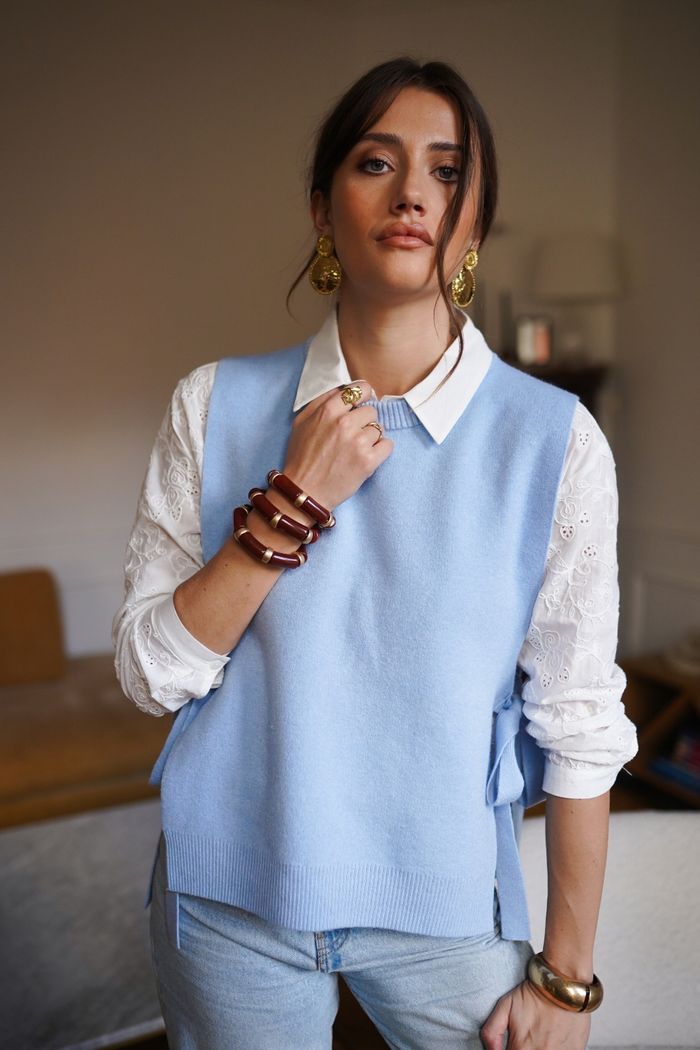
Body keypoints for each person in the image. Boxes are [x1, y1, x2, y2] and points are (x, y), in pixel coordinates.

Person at [113, 57, 638, 1050]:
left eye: (447, 171)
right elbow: (149, 677)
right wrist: (289, 504)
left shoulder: (555, 441)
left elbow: (577, 719)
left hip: (448, 907)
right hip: (227, 902)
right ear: (322, 209)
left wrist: (566, 980)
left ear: (474, 223)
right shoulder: (211, 404)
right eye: (375, 162)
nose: (411, 195)